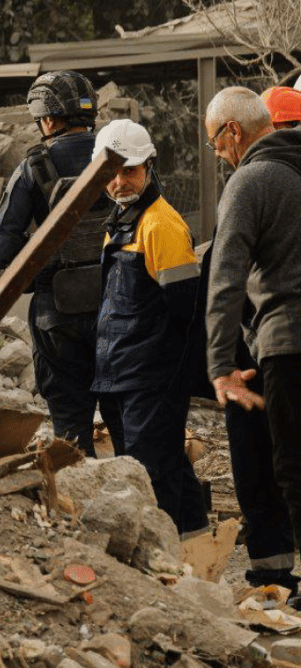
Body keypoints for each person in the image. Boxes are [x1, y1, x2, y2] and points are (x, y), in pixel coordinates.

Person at [0, 71, 113, 457]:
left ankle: (77, 492)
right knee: (125, 414)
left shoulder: (34, 167)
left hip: (58, 316)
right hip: (118, 309)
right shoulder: (121, 158)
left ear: (48, 119)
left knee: (69, 420)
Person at [89, 119, 207, 536]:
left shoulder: (161, 225)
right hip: (121, 374)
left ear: (149, 167)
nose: (119, 182)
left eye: (129, 171)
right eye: (112, 173)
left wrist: (165, 374)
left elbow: (185, 311)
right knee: (165, 464)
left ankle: (167, 565)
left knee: (151, 475)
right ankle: (195, 545)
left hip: (150, 376)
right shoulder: (122, 222)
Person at [205, 85, 301, 578]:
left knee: (291, 469)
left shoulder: (249, 182)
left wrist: (220, 367)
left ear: (234, 131)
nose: (220, 157)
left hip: (287, 344)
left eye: (217, 145)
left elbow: (225, 281)